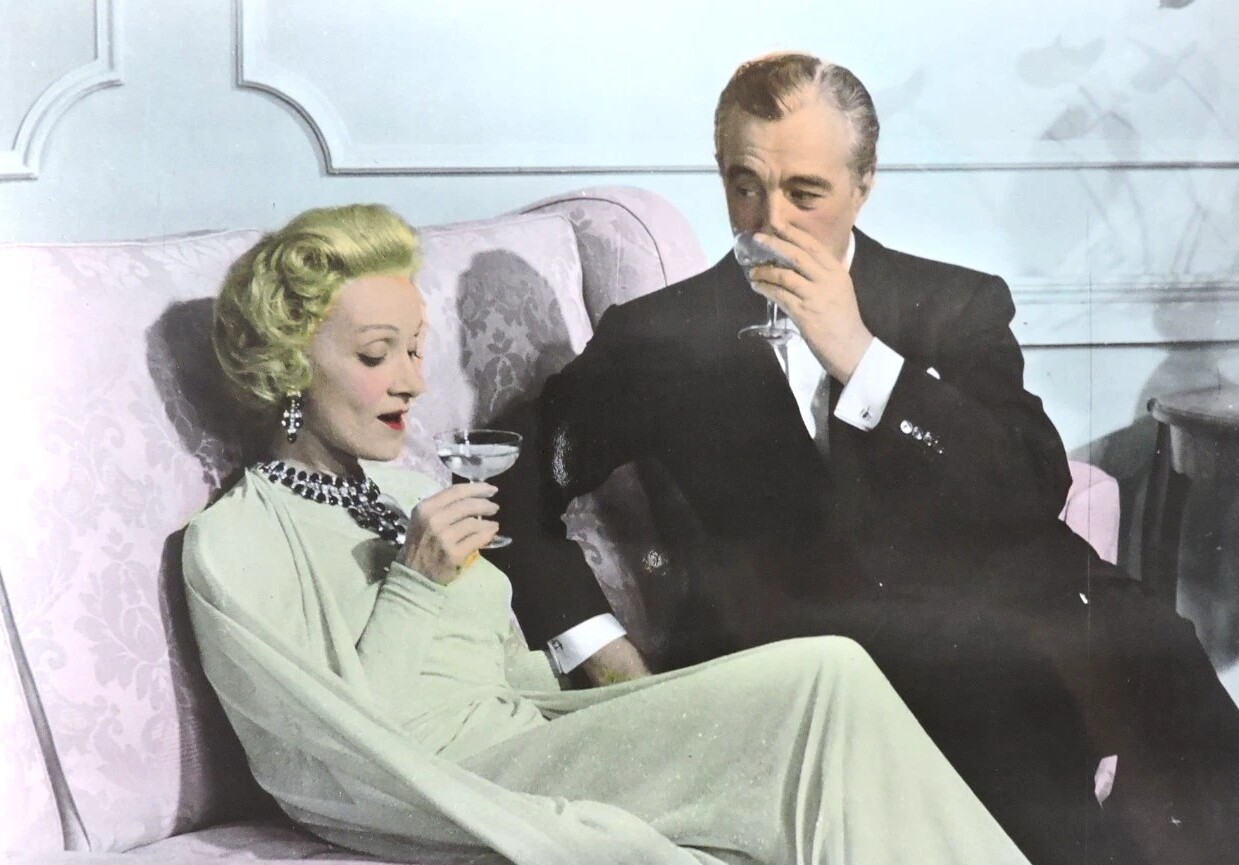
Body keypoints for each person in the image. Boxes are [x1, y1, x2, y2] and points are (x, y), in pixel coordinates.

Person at [501, 52, 1239, 865]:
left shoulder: (954, 302)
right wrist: (601, 653)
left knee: (1166, 673)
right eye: (744, 185)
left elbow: (1034, 482)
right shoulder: (661, 335)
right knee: (1014, 736)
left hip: (1009, 610)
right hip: (814, 647)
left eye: (804, 193)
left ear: (863, 184)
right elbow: (505, 476)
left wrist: (862, 358)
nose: (766, 223)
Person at [181, 203, 1030, 865]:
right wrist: (414, 584)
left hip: (538, 737)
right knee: (822, 680)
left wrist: (621, 702)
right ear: (289, 367)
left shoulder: (409, 492)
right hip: (451, 785)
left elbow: (507, 669)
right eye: (377, 355)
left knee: (830, 685)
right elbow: (326, 766)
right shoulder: (232, 545)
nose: (412, 381)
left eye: (414, 349)